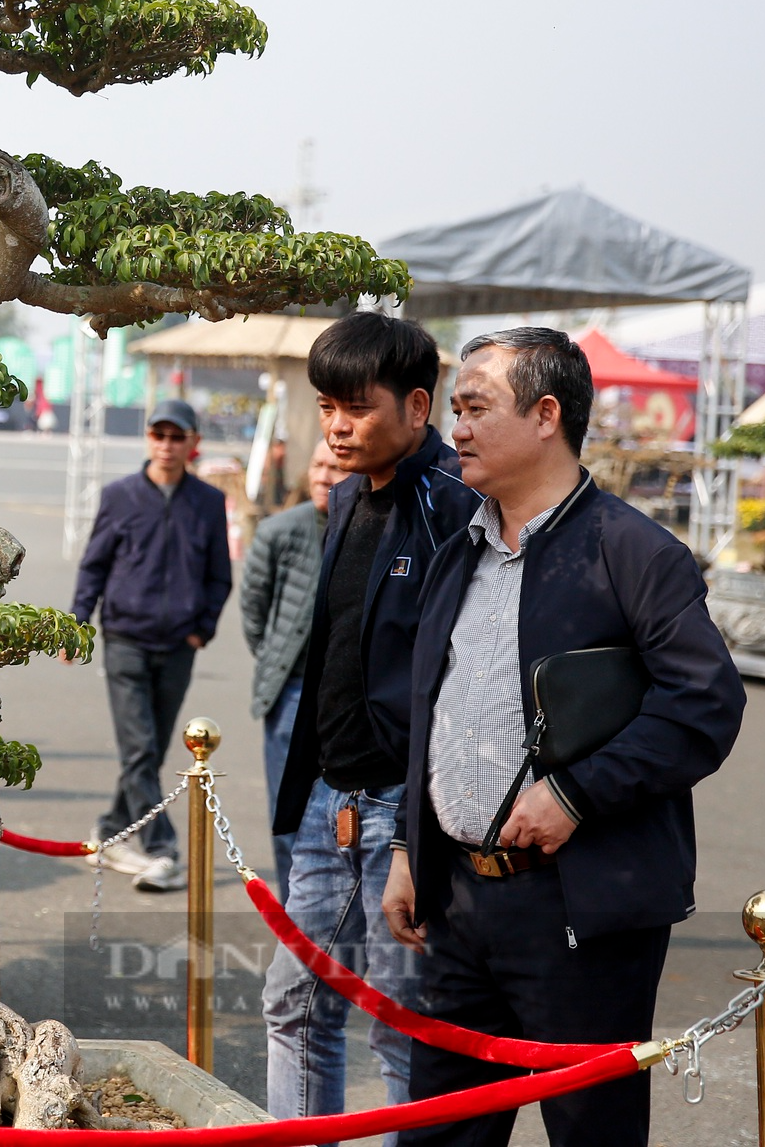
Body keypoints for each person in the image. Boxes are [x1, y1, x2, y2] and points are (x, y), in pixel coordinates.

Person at [385, 329, 743, 1147]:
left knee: (591, 1130)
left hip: (578, 913)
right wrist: (410, 848)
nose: (458, 429)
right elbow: (430, 711)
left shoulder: (635, 554)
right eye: (456, 410)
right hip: (457, 904)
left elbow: (705, 705)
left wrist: (576, 793)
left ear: (547, 415)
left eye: (475, 408)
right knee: (437, 1130)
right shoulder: (459, 550)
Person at [261, 312, 480, 1133]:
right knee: (294, 1002)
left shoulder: (455, 506)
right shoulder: (347, 494)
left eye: (356, 407)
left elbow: (464, 690)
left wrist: (414, 840)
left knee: (403, 1028)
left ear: (418, 407)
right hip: (330, 796)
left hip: (407, 813)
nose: (337, 427)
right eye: (325, 408)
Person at [69, 399, 232, 892]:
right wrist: (79, 621)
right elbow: (94, 564)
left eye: (176, 436)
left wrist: (200, 629)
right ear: (148, 439)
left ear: (192, 443)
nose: (166, 445)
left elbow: (218, 575)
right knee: (140, 748)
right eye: (158, 435)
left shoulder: (208, 501)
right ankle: (163, 850)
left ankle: (110, 827)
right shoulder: (119, 496)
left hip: (179, 644)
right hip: (125, 640)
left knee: (152, 750)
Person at [239, 440, 345, 897]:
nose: (325, 475)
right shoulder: (280, 530)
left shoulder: (373, 530)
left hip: (345, 700)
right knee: (289, 812)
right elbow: (253, 611)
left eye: (337, 467)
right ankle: (294, 914)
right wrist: (276, 659)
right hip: (291, 692)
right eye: (319, 465)